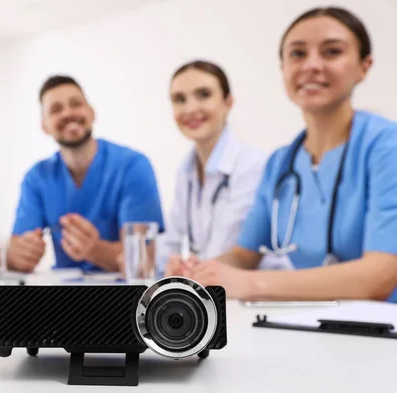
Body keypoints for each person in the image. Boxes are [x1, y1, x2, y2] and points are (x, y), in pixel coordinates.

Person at [168, 7, 397, 302]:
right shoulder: (281, 163)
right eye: (298, 54)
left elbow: (379, 277)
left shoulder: (385, 146)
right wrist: (200, 273)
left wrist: (249, 284)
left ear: (364, 66)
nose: (311, 65)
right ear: (283, 69)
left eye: (332, 51)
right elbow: (243, 255)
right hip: (309, 325)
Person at [7, 75, 165, 273]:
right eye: (56, 109)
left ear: (92, 113)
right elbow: (14, 256)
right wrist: (18, 254)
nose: (68, 113)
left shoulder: (133, 166)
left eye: (76, 104)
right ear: (44, 125)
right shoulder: (36, 178)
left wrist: (96, 250)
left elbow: (143, 260)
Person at [159, 60, 288, 274]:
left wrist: (190, 269)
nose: (190, 108)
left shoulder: (252, 166)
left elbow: (232, 251)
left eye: (204, 95)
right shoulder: (186, 171)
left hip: (259, 291)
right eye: (179, 99)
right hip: (217, 286)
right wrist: (171, 263)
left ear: (228, 103)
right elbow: (171, 243)